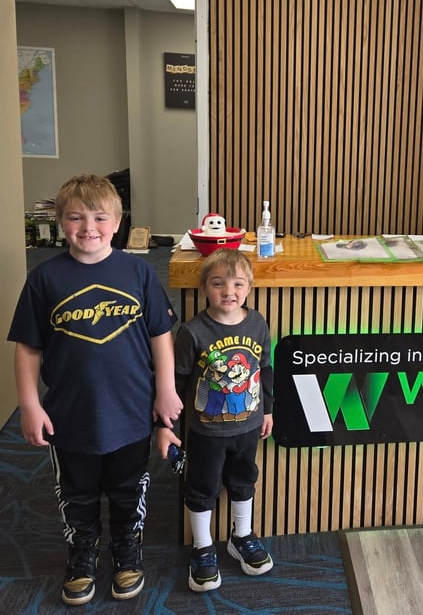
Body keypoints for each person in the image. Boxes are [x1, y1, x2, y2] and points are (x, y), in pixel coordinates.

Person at [8, 174, 183, 606]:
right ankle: (82, 554)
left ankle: (127, 553)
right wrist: (29, 404)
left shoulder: (138, 271)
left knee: (128, 489)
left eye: (100, 217)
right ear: (60, 221)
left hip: (130, 411)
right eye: (75, 217)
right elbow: (28, 347)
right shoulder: (44, 278)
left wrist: (165, 390)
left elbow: (160, 336)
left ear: (118, 221)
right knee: (77, 494)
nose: (88, 227)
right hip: (70, 414)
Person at [157, 248, 274, 593]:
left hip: (248, 424)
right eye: (219, 284)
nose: (229, 292)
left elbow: (264, 369)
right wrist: (166, 425)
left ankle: (241, 536)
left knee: (243, 479)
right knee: (201, 486)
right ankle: (203, 546)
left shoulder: (257, 323)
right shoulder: (192, 332)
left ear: (249, 287)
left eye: (238, 284)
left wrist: (267, 408)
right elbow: (176, 381)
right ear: (205, 287)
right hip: (207, 429)